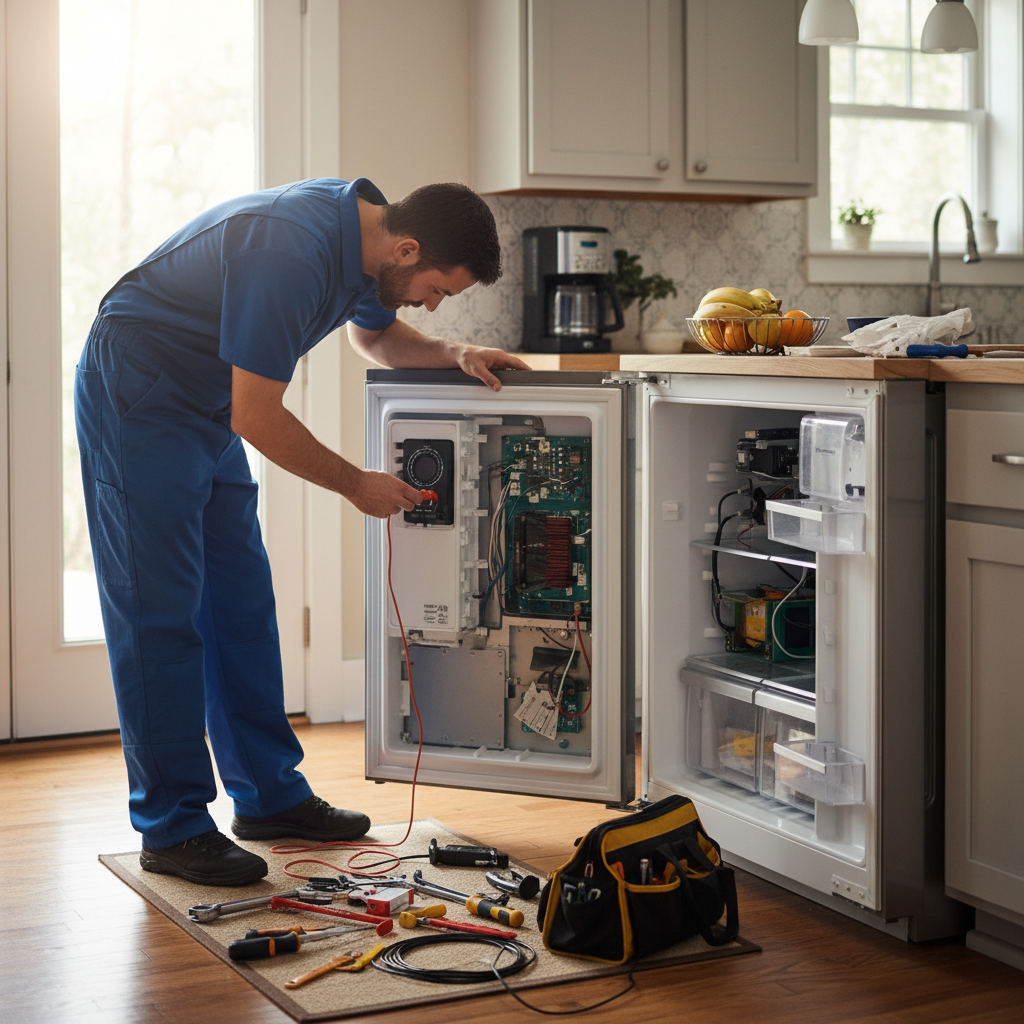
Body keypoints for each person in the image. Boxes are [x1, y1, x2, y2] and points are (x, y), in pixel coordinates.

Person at [74, 177, 530, 886]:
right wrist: (356, 483)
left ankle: (269, 797)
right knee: (157, 611)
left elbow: (376, 335)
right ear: (407, 249)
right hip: (140, 389)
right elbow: (257, 416)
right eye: (438, 289)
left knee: (240, 603)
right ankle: (173, 828)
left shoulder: (370, 242)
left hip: (207, 398)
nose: (432, 303)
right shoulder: (290, 250)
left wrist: (453, 350)